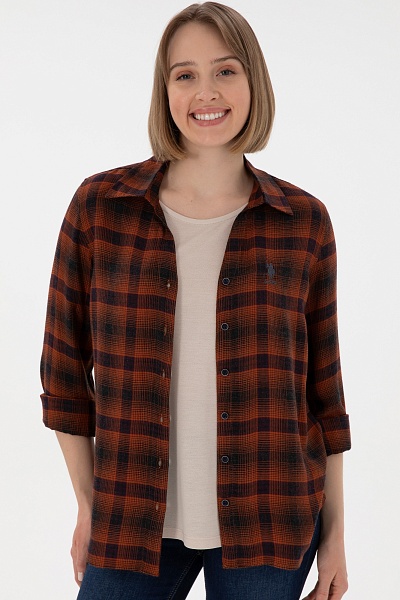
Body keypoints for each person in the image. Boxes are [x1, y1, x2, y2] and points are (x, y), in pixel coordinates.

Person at [40, 3, 351, 599]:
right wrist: (88, 503)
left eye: (225, 70)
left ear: (253, 81)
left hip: (271, 519)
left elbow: (325, 396)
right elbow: (63, 373)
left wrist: (335, 536)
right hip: (131, 520)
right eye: (185, 74)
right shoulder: (101, 207)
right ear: (165, 90)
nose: (206, 92)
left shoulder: (303, 221)